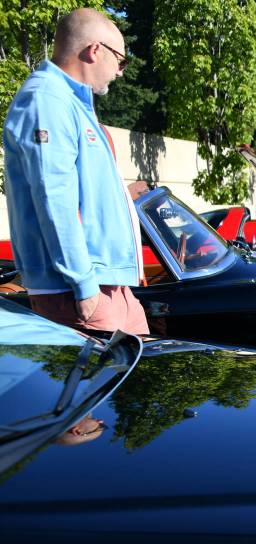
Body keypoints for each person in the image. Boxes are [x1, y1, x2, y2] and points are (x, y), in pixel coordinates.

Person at [3, 8, 150, 335]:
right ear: (94, 50)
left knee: (136, 384)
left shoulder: (71, 105)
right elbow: (54, 201)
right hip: (76, 289)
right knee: (105, 385)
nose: (120, 72)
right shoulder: (46, 100)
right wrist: (84, 288)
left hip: (107, 287)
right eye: (120, 60)